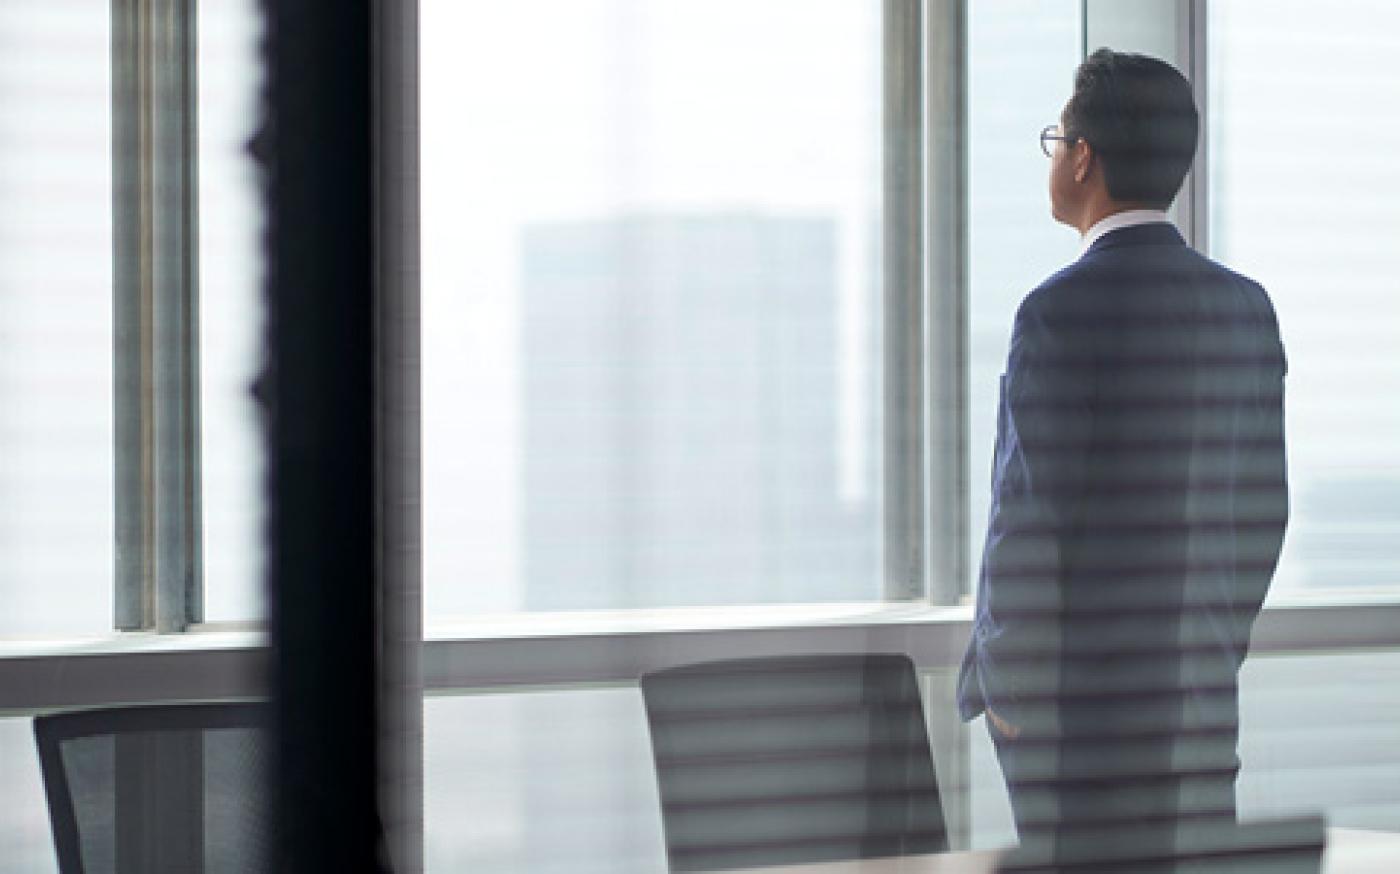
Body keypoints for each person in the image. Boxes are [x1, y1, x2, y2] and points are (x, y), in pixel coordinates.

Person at [956, 48, 1289, 870]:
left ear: (1082, 157)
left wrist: (1011, 698)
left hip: (1079, 726)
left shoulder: (1057, 314)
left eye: (1055, 139)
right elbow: (1263, 516)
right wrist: (1203, 649)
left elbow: (1028, 520)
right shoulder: (1244, 310)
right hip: (1197, 712)